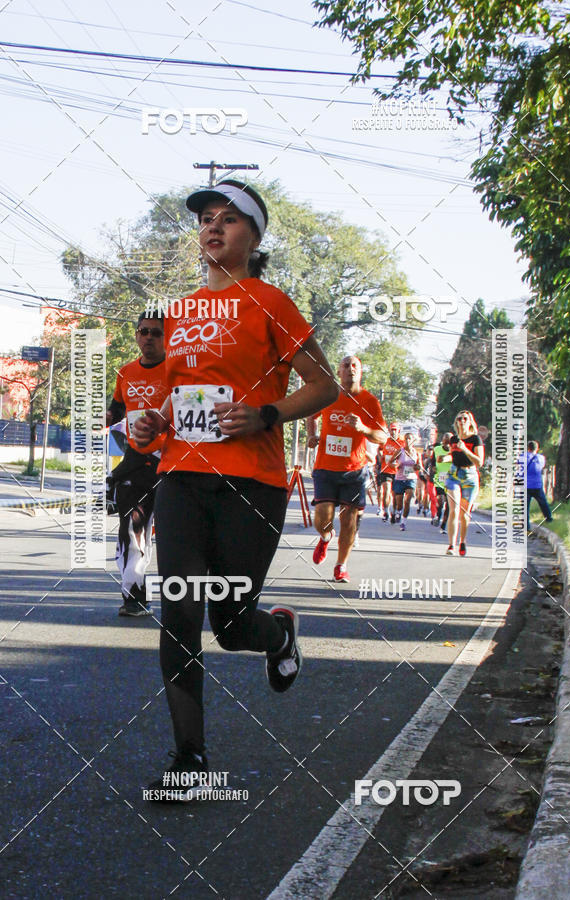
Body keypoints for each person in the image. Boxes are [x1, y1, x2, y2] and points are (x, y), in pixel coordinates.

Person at [132, 179, 337, 796]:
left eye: (228, 219)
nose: (212, 228)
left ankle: (278, 634)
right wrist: (153, 422)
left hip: (253, 482)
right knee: (180, 613)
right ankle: (189, 759)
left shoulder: (271, 302)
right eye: (205, 220)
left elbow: (324, 385)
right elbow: (175, 397)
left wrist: (266, 413)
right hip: (182, 479)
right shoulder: (182, 311)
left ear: (253, 237)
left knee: (230, 624)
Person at [106, 311, 168, 616]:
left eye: (156, 332)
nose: (148, 337)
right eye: (143, 331)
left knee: (176, 538)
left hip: (171, 463)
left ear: (167, 337)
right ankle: (135, 595)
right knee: (131, 528)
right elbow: (117, 408)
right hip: (135, 462)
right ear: (136, 335)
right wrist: (107, 417)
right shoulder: (126, 372)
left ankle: (183, 599)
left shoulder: (178, 371)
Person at [307, 355, 386, 582]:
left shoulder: (370, 401)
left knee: (349, 521)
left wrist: (363, 429)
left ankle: (341, 565)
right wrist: (313, 435)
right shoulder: (328, 395)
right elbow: (310, 416)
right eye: (345, 365)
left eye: (355, 366)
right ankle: (325, 537)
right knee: (322, 518)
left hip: (354, 470)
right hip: (325, 467)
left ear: (360, 372)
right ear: (339, 372)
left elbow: (381, 436)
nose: (350, 369)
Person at [444, 411, 484, 556]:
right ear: (456, 422)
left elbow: (480, 462)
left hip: (470, 477)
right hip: (454, 475)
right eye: (459, 418)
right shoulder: (453, 439)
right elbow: (454, 456)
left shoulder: (475, 439)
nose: (462, 421)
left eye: (465, 419)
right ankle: (451, 545)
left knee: (464, 514)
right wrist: (445, 458)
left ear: (470, 422)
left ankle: (463, 541)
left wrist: (465, 449)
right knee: (453, 510)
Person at [390, 431, 422, 530]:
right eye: (406, 438)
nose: (408, 440)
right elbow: (390, 462)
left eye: (410, 439)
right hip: (399, 479)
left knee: (407, 501)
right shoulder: (400, 451)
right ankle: (398, 512)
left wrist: (417, 467)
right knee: (399, 502)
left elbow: (419, 466)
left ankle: (403, 522)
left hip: (411, 479)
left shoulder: (416, 453)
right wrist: (395, 466)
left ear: (413, 441)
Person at [377, 421, 403, 521]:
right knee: (386, 490)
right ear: (389, 430)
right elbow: (379, 451)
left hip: (397, 472)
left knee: (395, 494)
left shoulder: (402, 443)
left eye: (395, 430)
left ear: (399, 431)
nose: (393, 432)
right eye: (391, 430)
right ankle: (386, 511)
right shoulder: (385, 441)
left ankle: (394, 511)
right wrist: (380, 456)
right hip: (385, 470)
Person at [526, 440, 553, 529]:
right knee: (543, 503)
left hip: (526, 485)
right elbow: (542, 466)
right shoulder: (541, 458)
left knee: (525, 507)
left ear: (528, 448)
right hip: (537, 484)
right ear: (537, 448)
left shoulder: (523, 456)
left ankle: (526, 525)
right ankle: (549, 518)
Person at [433, 432, 453, 533]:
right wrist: (432, 468)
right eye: (446, 440)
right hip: (439, 479)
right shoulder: (437, 449)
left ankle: (443, 526)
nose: (447, 443)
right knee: (440, 501)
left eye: (449, 441)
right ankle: (438, 515)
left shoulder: (455, 450)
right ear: (443, 440)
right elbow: (432, 461)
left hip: (452, 480)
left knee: (449, 505)